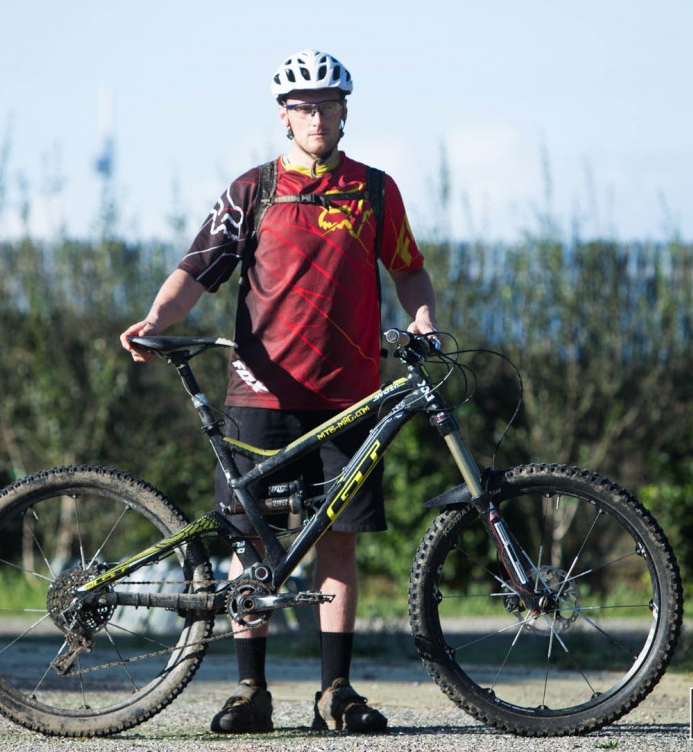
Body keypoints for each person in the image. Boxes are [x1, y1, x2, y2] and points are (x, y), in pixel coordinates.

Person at [120, 49, 438, 735]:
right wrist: (155, 319)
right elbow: (196, 271)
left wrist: (423, 320)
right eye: (303, 107)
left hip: (351, 397)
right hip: (258, 398)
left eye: (328, 105)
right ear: (284, 117)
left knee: (339, 545)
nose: (316, 116)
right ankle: (250, 692)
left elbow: (410, 271)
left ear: (344, 112)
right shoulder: (253, 190)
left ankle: (335, 693)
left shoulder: (375, 191)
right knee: (252, 546)